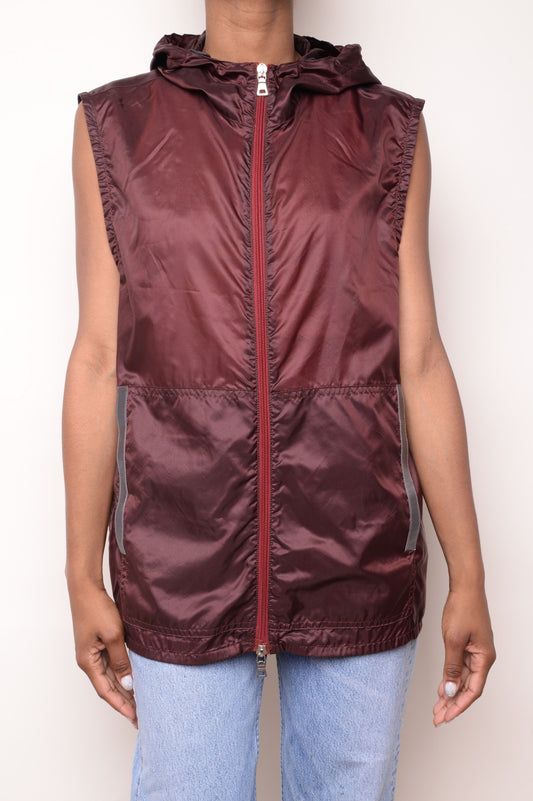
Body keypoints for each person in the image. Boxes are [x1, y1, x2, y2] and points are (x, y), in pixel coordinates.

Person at [63, 1, 496, 799]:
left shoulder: (388, 128)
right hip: (176, 554)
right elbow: (96, 359)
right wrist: (80, 572)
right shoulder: (115, 125)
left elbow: (421, 359)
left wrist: (468, 572)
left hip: (359, 550)